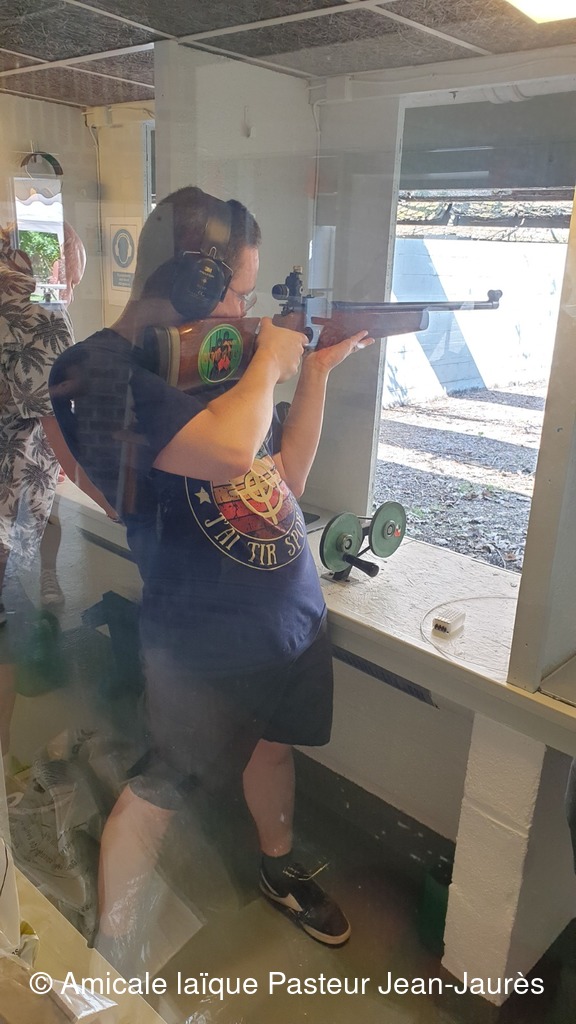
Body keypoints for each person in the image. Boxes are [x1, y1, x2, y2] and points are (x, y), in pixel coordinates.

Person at [49, 187, 374, 962]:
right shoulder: (100, 367)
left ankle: (278, 869)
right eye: (236, 291)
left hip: (288, 622)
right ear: (192, 279)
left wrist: (312, 372)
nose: (243, 311)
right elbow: (227, 453)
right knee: (159, 790)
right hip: (203, 644)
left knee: (273, 749)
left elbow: (284, 476)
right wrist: (271, 360)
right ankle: (113, 955)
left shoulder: (220, 361)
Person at [0, 226, 113, 754]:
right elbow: (61, 420)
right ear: (56, 267)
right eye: (73, 279)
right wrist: (110, 497)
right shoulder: (41, 310)